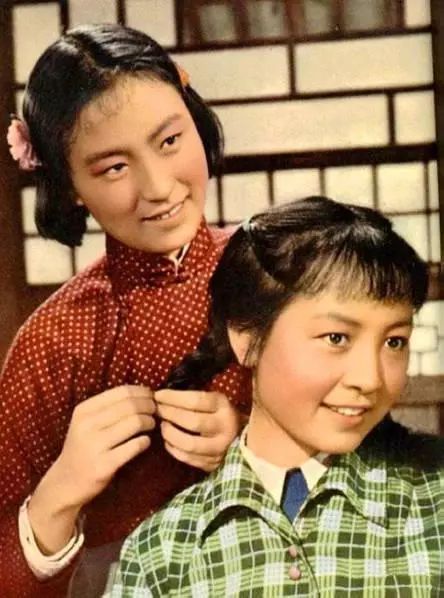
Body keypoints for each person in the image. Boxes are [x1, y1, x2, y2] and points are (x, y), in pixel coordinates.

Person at [0, 23, 252, 597]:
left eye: (170, 141)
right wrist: (60, 492)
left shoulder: (285, 271)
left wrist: (252, 446)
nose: (158, 186)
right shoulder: (52, 340)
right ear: (69, 185)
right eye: (114, 167)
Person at [110, 196, 444, 597]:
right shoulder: (161, 552)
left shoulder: (435, 499)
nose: (370, 379)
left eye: (394, 341)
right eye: (336, 338)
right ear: (246, 337)